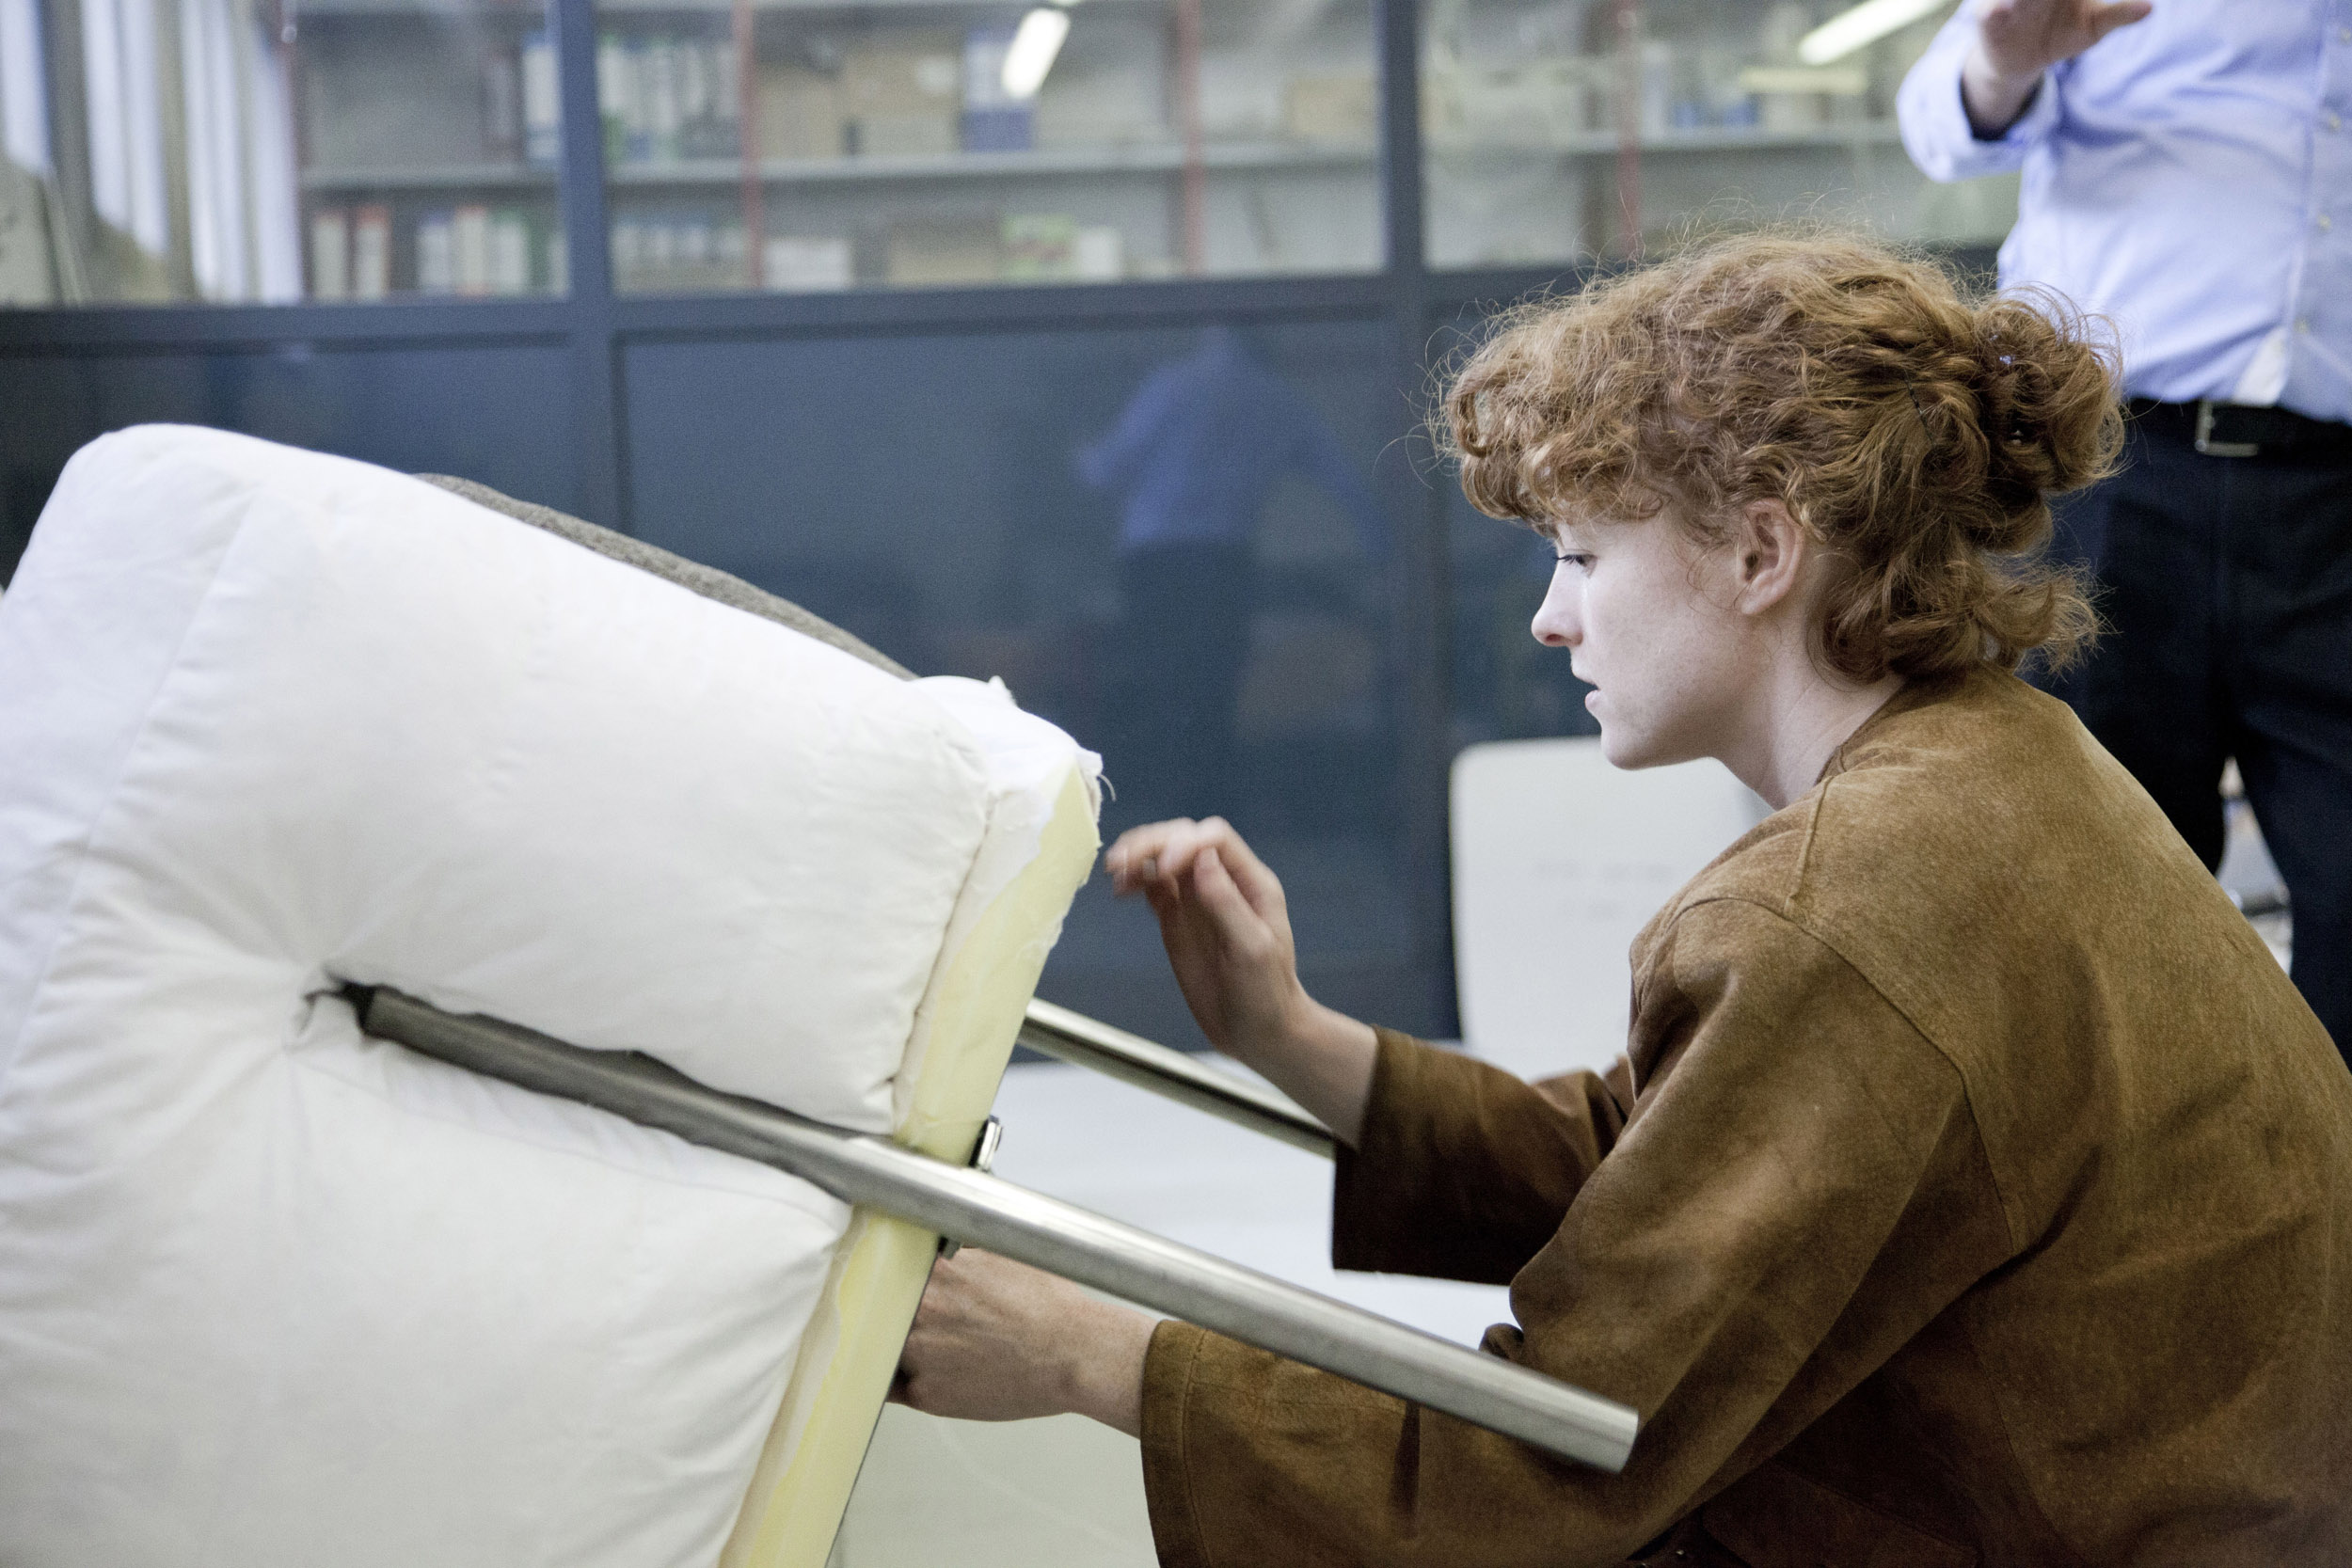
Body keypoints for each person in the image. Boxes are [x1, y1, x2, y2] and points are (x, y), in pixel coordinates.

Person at [891, 233, 2352, 1565]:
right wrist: (1290, 1035)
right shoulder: (2004, 760)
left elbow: (1555, 1462)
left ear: (1763, 551)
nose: (1549, 614)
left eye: (1585, 554)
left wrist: (1094, 1353)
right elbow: (1678, 1169)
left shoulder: (1847, 906)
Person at [1899, 0, 2352, 1056]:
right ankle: (2124, 1162)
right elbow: (1941, 118)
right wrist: (2002, 66)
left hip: (2336, 502)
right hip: (2107, 467)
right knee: (2085, 890)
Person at [1078, 325, 1388, 825]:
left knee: (1156, 684)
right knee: (1214, 689)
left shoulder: (1171, 386)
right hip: (1221, 566)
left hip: (1155, 565)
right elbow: (1342, 479)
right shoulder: (1277, 399)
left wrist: (1071, 454)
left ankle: (1155, 814)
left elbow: (1103, 470)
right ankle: (1205, 814)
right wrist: (1389, 554)